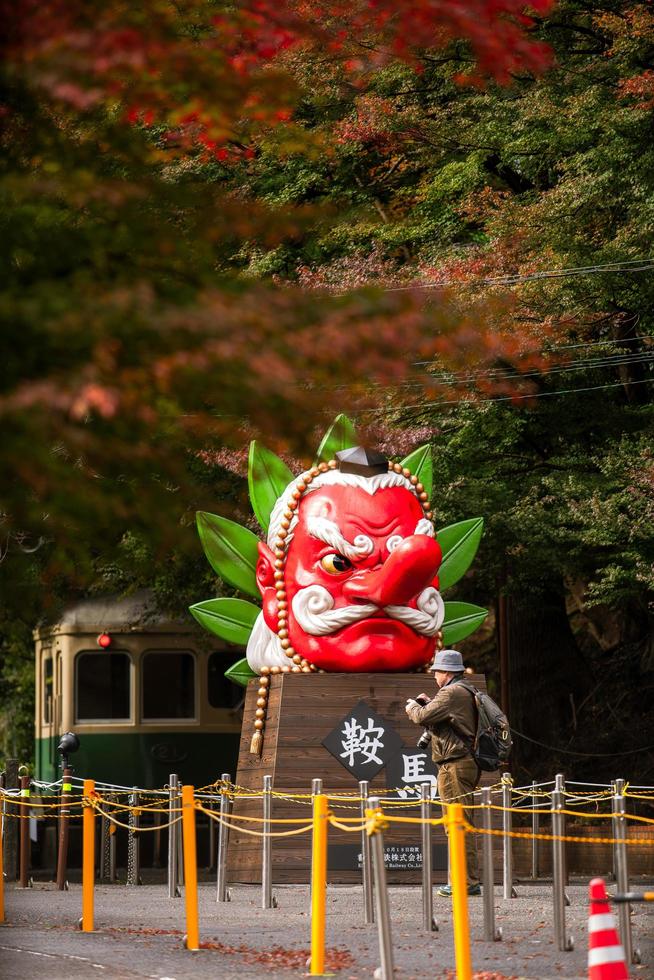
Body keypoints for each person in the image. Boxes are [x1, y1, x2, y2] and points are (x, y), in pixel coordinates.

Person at [405, 648, 481, 896]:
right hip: (462, 762)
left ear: (446, 672)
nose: (435, 676)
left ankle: (464, 882)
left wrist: (412, 707)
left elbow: (421, 717)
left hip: (455, 765)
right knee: (460, 822)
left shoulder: (451, 692)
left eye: (436, 671)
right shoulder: (465, 690)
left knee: (456, 823)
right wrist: (430, 705)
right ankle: (465, 880)